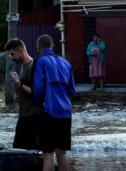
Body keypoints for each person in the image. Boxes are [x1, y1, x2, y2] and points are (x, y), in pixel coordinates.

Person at [32, 35, 75, 171]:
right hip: (66, 112)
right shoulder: (66, 63)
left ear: (38, 47)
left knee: (48, 154)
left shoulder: (39, 61)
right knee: (61, 153)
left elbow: (38, 89)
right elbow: (72, 90)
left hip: (49, 111)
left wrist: (39, 105)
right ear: (52, 46)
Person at [5, 38, 39, 150]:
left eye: (12, 54)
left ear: (20, 51)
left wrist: (18, 83)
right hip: (24, 114)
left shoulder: (32, 65)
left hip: (33, 115)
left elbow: (35, 92)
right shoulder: (23, 66)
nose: (11, 57)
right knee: (17, 147)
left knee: (32, 148)